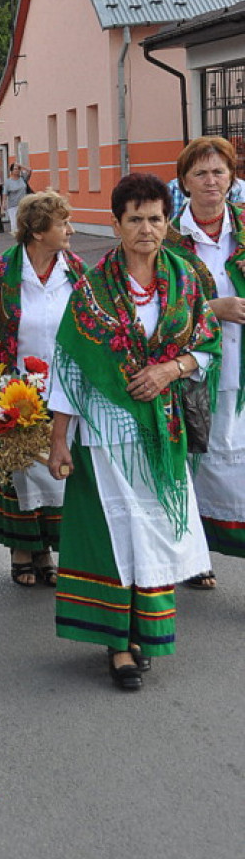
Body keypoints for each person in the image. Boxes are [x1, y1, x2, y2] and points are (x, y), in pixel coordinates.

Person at [47, 173, 220, 691]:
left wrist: (168, 370)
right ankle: (117, 644)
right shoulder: (91, 288)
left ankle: (147, 631)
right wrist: (58, 440)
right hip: (105, 435)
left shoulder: (186, 280)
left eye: (155, 218)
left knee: (157, 532)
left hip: (162, 433)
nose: (146, 229)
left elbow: (207, 348)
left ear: (168, 223)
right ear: (117, 225)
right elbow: (69, 367)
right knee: (116, 535)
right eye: (135, 219)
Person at [0, 191, 85, 586]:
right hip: (16, 389)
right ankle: (22, 550)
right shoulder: (3, 274)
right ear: (36, 232)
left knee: (58, 474)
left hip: (68, 389)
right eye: (62, 223)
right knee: (21, 472)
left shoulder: (78, 272)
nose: (71, 229)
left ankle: (47, 549)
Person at [165, 137, 245, 588]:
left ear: (232, 178)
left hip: (244, 369)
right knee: (196, 461)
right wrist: (216, 308)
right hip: (195, 372)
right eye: (201, 173)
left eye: (219, 172)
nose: (211, 181)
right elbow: (159, 304)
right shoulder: (170, 238)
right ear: (184, 183)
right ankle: (195, 555)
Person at [3, 163, 32, 235]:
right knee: (14, 226)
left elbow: (29, 170)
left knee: (24, 224)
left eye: (18, 169)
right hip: (13, 206)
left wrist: (20, 166)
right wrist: (4, 203)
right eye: (15, 169)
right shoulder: (8, 182)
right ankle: (17, 241)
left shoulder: (23, 178)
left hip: (23, 205)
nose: (17, 171)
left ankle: (24, 240)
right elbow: (5, 194)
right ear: (11, 171)